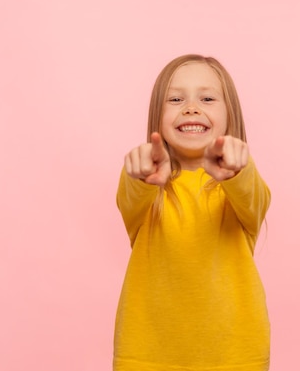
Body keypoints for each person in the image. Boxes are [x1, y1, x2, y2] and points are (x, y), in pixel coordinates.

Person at [114, 54, 271, 371]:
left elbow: (255, 199)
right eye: (175, 98)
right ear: (157, 117)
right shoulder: (144, 183)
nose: (191, 107)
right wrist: (141, 175)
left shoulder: (240, 185)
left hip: (235, 358)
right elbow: (128, 199)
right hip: (146, 357)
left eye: (208, 98)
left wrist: (239, 169)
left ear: (230, 115)